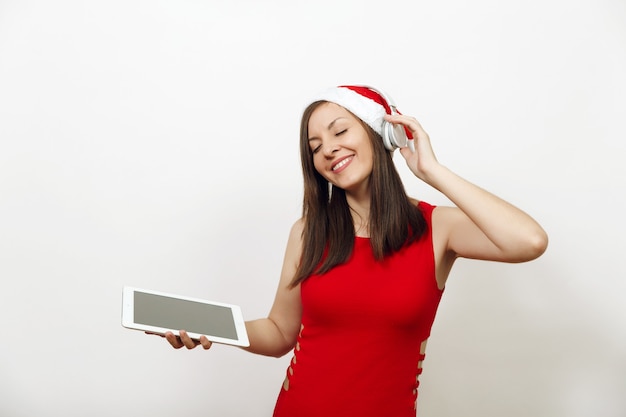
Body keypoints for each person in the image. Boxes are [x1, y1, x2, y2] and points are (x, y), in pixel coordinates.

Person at [154, 85, 548, 416]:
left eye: (340, 131)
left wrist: (431, 171)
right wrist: (212, 327)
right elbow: (278, 333)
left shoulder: (437, 228)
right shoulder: (308, 232)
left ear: (382, 134)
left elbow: (528, 241)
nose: (328, 149)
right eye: (315, 146)